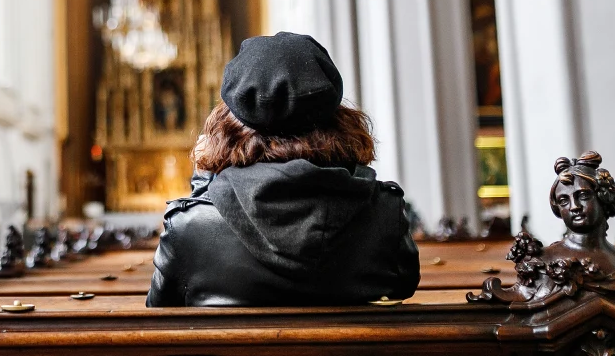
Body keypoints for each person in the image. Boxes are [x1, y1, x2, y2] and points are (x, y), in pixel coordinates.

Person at [146, 32, 421, 307]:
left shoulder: (189, 227)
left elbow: (159, 313)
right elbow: (403, 284)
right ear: (339, 121)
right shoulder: (385, 214)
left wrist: (204, 179)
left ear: (228, 126)